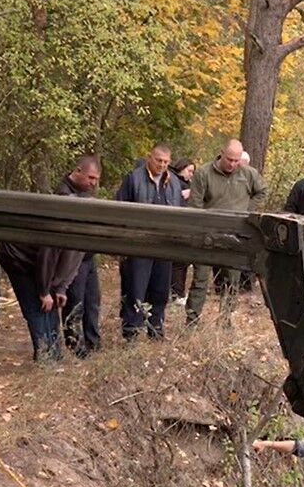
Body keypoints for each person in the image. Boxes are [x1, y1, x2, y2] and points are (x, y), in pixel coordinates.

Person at [0, 156, 89, 360]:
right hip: (18, 258)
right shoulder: (62, 224)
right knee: (38, 309)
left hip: (36, 262)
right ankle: (45, 358)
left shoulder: (85, 234)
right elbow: (47, 258)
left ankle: (55, 356)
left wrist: (61, 288)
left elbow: (72, 264)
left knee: (52, 308)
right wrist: (44, 291)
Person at [185, 139, 267, 324]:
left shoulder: (247, 174)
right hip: (207, 234)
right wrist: (200, 228)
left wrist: (247, 209)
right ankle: (192, 319)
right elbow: (195, 205)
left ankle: (226, 319)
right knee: (200, 279)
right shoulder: (204, 173)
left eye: (236, 160)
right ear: (221, 153)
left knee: (232, 280)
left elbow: (262, 191)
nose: (232, 164)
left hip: (234, 237)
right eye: (229, 159)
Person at [113, 145, 181, 339]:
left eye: (166, 162)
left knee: (160, 290)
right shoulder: (133, 179)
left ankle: (155, 329)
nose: (162, 165)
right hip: (138, 246)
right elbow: (120, 209)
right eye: (158, 160)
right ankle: (131, 332)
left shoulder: (174, 182)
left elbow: (180, 213)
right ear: (149, 157)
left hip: (164, 246)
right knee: (135, 289)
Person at [57, 156, 102, 357]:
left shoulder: (83, 192)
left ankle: (93, 343)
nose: (93, 183)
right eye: (90, 178)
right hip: (72, 259)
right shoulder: (62, 192)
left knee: (93, 301)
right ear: (78, 171)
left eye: (96, 179)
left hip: (87, 256)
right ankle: (75, 346)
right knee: (75, 304)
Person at [168, 158, 196, 305]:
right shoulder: (173, 181)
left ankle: (176, 292)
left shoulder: (184, 183)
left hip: (184, 226)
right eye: (189, 170)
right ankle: (177, 293)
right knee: (179, 262)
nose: (191, 174)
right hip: (176, 226)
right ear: (181, 167)